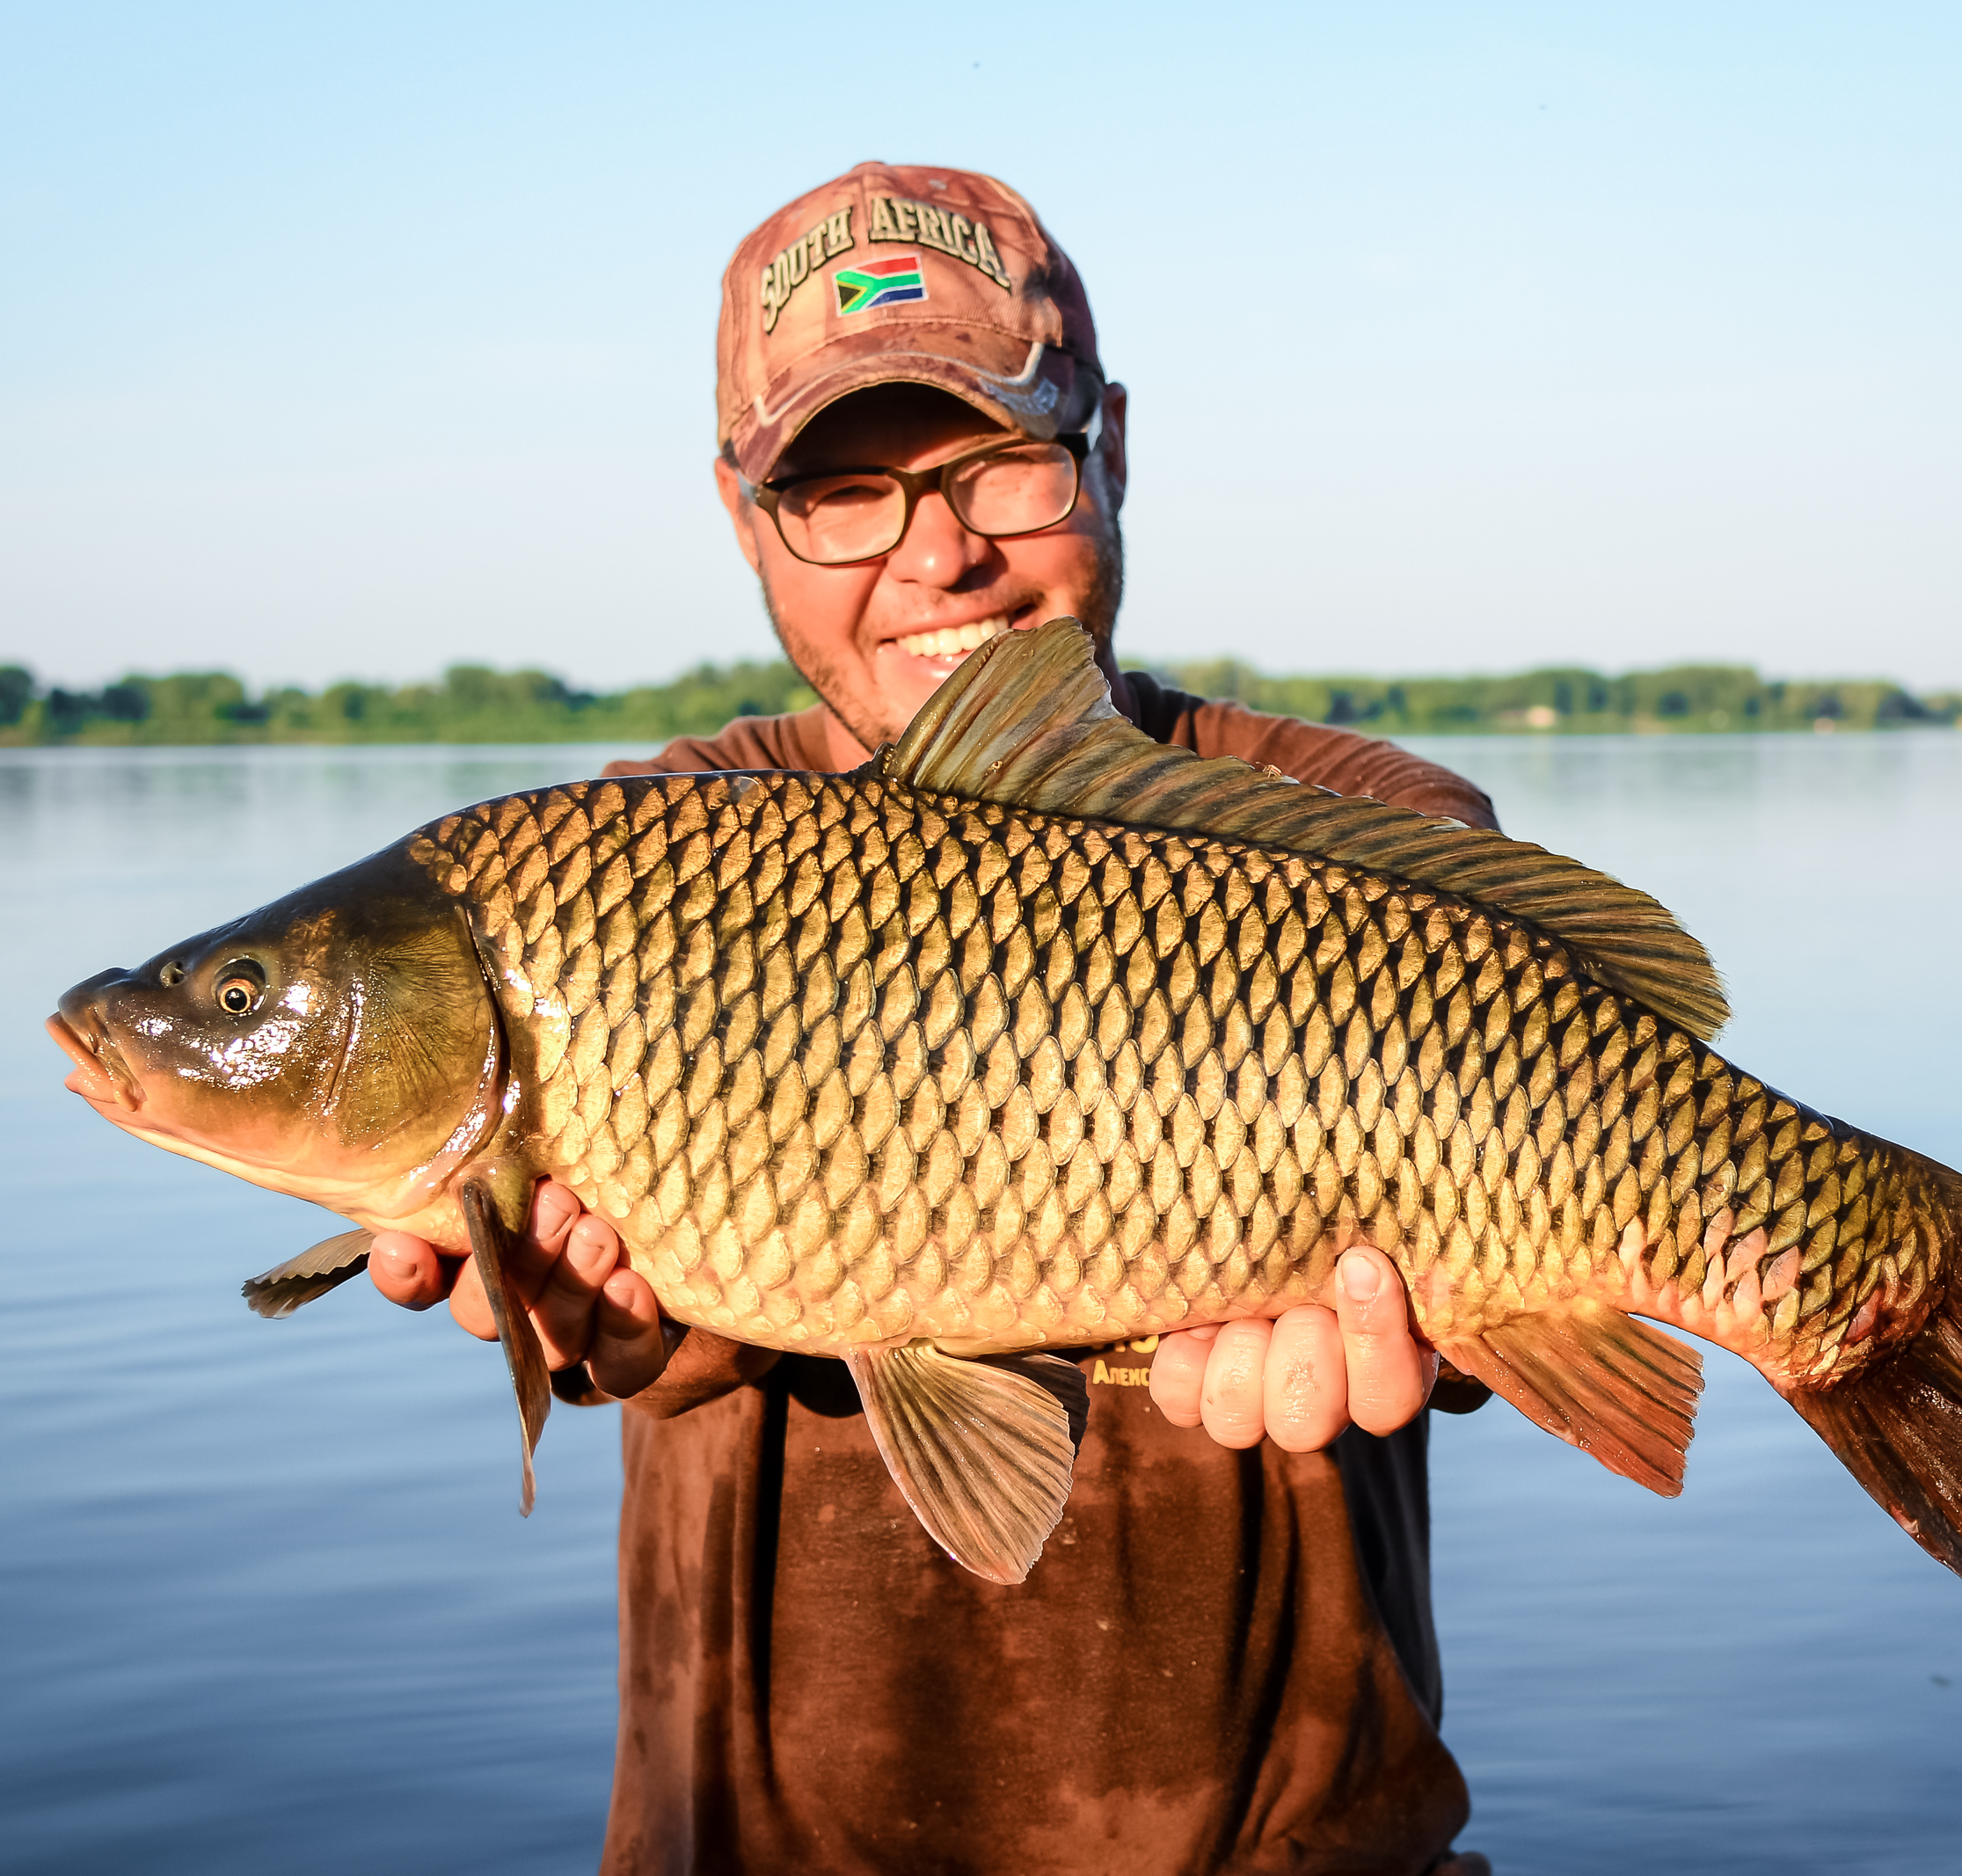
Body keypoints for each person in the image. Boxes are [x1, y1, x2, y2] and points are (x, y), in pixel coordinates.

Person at [368, 163, 1499, 1875]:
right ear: (746, 520)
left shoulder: (1364, 840)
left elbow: (1530, 1292)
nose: (938, 555)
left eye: (996, 465)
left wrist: (1471, 1321)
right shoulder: (642, 854)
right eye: (840, 492)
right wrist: (603, 1323)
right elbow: (640, 1328)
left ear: (1107, 447)